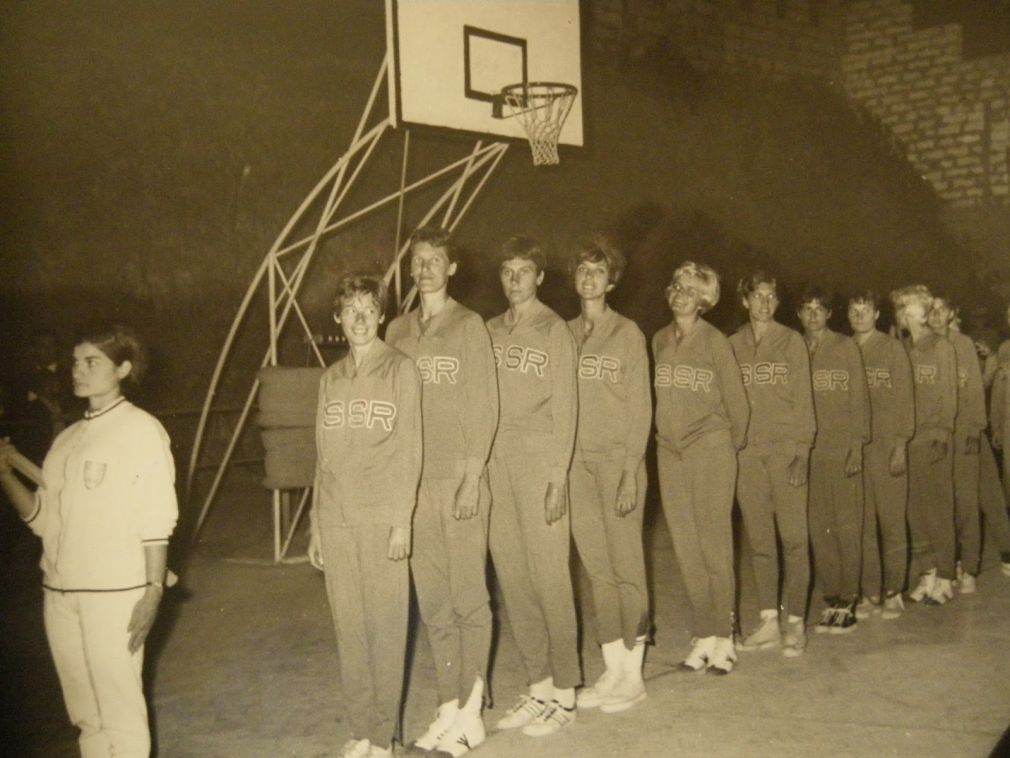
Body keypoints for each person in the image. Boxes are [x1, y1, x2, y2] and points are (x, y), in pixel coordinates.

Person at [0, 323, 178, 758]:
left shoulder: (142, 431)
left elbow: (157, 518)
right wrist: (5, 475)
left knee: (120, 710)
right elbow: (44, 519)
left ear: (123, 368)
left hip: (114, 594)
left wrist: (153, 590)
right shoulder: (67, 439)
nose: (78, 370)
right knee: (86, 716)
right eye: (76, 362)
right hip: (60, 593)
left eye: (92, 362)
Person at [385, 228, 498, 756]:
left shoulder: (470, 325)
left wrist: (473, 475)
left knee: (468, 597)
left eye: (436, 260)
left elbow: (485, 406)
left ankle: (472, 713)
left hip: (457, 476)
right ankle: (450, 705)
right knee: (433, 602)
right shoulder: (396, 331)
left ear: (452, 269)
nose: (426, 267)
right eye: (419, 260)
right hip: (413, 481)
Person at [308, 274, 422, 758]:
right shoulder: (329, 378)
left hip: (381, 516)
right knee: (349, 627)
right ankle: (360, 729)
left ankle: (383, 736)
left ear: (381, 316)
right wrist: (316, 523)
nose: (359, 317)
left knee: (386, 626)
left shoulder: (400, 369)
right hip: (337, 519)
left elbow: (410, 449)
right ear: (338, 318)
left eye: (368, 308)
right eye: (349, 309)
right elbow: (321, 456)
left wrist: (402, 519)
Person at [486, 235, 580, 737]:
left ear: (540, 277)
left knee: (549, 580)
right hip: (497, 465)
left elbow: (567, 405)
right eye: (508, 271)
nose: (515, 279)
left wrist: (557, 475)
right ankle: (539, 684)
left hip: (540, 461)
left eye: (524, 270)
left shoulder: (555, 331)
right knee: (515, 581)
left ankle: (565, 692)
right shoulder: (488, 330)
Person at [566, 237, 652, 709]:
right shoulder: (562, 332)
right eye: (582, 268)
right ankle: (613, 668)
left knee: (626, 568)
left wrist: (628, 471)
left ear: (611, 280)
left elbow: (641, 408)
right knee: (597, 569)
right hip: (577, 465)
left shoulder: (628, 332)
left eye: (598, 271)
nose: (589, 277)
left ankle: (634, 676)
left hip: (618, 462)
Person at [653, 262, 749, 674]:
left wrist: (722, 447)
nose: (680, 294)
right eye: (676, 286)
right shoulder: (658, 339)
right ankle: (704, 633)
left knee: (714, 547)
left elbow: (738, 407)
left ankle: (725, 638)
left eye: (691, 290)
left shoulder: (715, 342)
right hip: (668, 453)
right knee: (686, 549)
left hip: (709, 450)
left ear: (705, 300)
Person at [729, 271, 815, 658]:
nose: (764, 302)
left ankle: (795, 621)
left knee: (794, 539)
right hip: (748, 454)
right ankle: (768, 621)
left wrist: (802, 450)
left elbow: (803, 401)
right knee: (761, 542)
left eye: (771, 296)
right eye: (757, 296)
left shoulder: (791, 341)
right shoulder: (730, 345)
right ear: (745, 301)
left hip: (785, 452)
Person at [797, 287, 870, 634]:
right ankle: (831, 596)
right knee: (817, 526)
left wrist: (857, 444)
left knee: (846, 523)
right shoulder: (794, 348)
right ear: (799, 315)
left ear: (829, 314)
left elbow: (859, 398)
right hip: (809, 450)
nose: (813, 315)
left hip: (841, 447)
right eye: (807, 309)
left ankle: (850, 598)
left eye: (819, 309)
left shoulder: (845, 347)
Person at [847, 290, 915, 619]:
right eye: (854, 310)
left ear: (877, 314)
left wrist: (901, 444)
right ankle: (870, 591)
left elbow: (905, 400)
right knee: (863, 525)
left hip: (887, 446)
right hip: (857, 450)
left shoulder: (892, 349)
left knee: (891, 522)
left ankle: (893, 591)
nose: (859, 315)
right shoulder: (844, 349)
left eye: (866, 309)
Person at [891, 285, 957, 606]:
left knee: (938, 508)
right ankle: (926, 572)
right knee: (913, 511)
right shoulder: (901, 349)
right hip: (908, 441)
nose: (904, 313)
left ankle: (945, 576)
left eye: (909, 307)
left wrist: (943, 434)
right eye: (900, 308)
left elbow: (948, 393)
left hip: (932, 439)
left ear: (923, 312)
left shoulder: (941, 347)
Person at [927, 294, 986, 594]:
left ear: (952, 313)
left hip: (963, 431)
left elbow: (974, 386)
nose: (936, 316)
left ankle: (970, 567)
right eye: (931, 311)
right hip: (936, 435)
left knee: (965, 500)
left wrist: (975, 430)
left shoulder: (962, 344)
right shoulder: (924, 346)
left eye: (942, 310)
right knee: (941, 501)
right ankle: (945, 564)